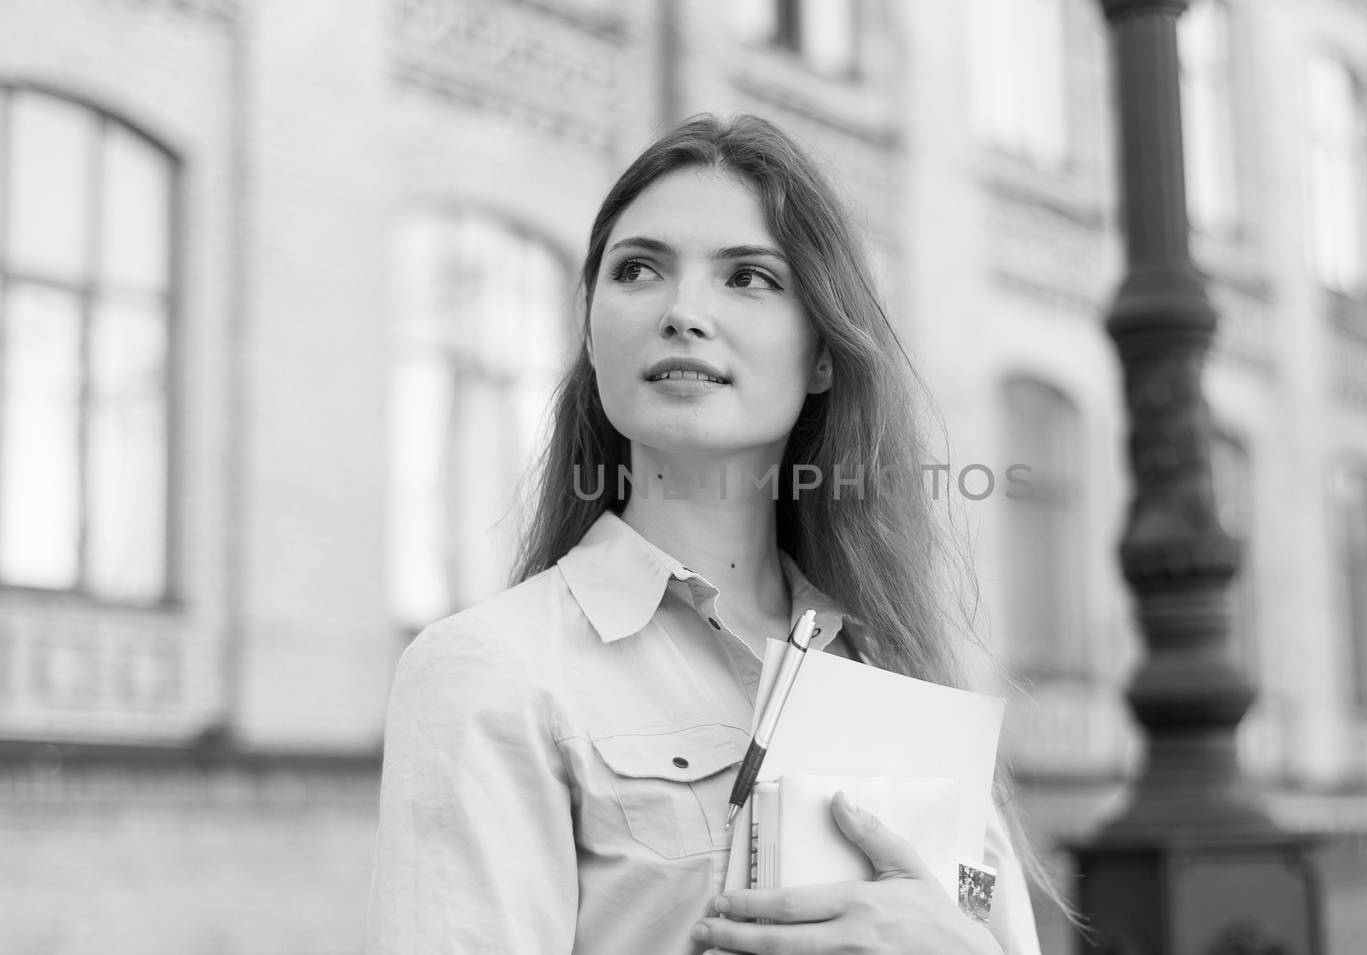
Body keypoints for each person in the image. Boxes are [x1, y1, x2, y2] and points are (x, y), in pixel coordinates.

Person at [365, 113, 1047, 955]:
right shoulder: (491, 674)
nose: (684, 311)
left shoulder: (896, 679)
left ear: (824, 352)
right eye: (639, 269)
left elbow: (997, 929)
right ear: (590, 327)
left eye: (749, 278)